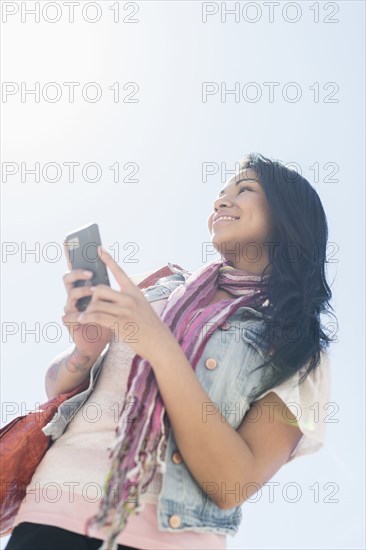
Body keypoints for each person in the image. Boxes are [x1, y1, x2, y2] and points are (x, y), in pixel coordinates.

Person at [4, 152, 335, 550]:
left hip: (168, 538)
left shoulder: (298, 349)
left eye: (245, 189)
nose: (221, 201)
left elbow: (232, 484)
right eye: (220, 192)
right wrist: (85, 350)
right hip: (51, 515)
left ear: (289, 217)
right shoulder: (159, 285)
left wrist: (161, 349)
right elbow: (58, 386)